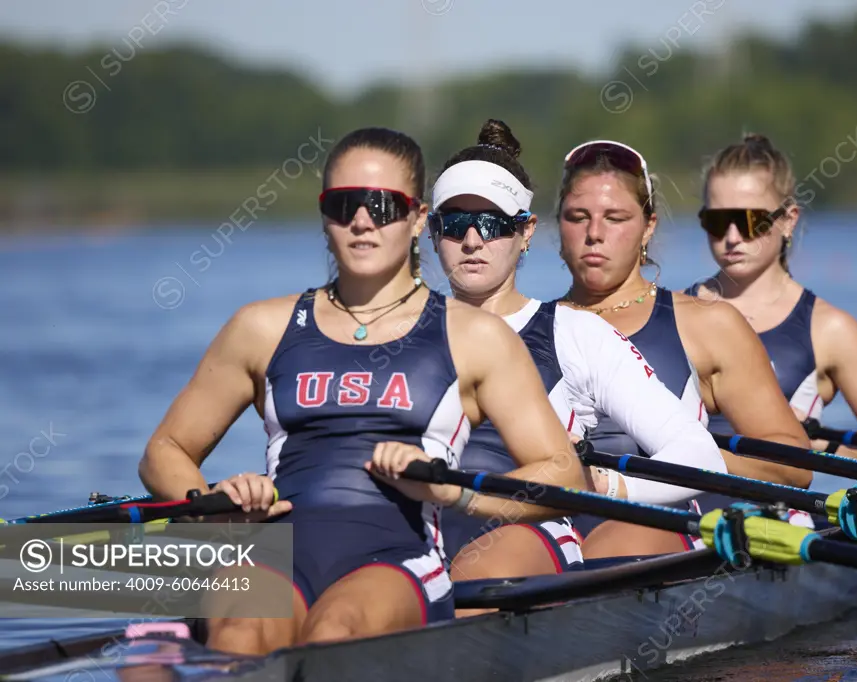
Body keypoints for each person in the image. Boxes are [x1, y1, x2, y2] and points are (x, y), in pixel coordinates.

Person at [138, 127, 587, 655]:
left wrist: (454, 491)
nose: (362, 220)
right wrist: (212, 507)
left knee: (336, 636)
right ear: (325, 216)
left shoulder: (474, 338)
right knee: (238, 635)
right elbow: (164, 452)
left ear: (419, 219)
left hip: (398, 557)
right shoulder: (261, 327)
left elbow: (562, 474)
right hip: (275, 549)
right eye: (343, 204)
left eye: (383, 204)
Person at [427, 120, 727, 613]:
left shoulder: (573, 333)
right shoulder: (395, 336)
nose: (473, 240)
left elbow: (702, 458)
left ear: (525, 232)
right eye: (456, 223)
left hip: (522, 538)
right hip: (414, 532)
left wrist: (605, 484)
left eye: (493, 223)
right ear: (433, 231)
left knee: (463, 593)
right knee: (255, 577)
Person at [554, 139, 816, 561]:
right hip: (559, 528)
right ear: (557, 227)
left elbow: (793, 468)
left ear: (649, 226)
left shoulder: (706, 324)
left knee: (613, 547)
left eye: (616, 217)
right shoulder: (528, 331)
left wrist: (688, 456)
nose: (595, 234)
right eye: (577, 218)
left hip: (668, 527)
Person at [688, 133, 857, 474]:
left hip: (777, 517)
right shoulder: (674, 310)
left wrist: (819, 448)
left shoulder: (830, 329)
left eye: (750, 221)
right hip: (683, 515)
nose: (731, 237)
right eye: (716, 222)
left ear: (788, 219)